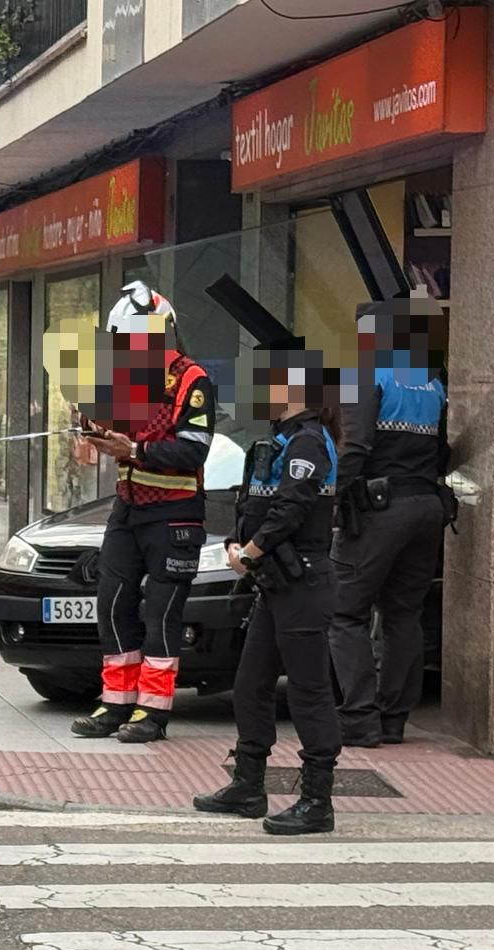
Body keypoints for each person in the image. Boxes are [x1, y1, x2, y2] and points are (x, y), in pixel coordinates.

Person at [194, 351, 342, 835]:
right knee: (251, 684)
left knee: (309, 691)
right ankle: (248, 785)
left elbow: (292, 509)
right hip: (275, 584)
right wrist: (236, 542)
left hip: (302, 583)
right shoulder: (276, 442)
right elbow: (254, 503)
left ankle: (317, 801)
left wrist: (251, 552)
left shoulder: (308, 441)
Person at [71, 283, 216, 744]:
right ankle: (115, 702)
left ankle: (153, 711)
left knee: (161, 612)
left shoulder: (192, 380)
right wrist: (89, 425)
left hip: (175, 513)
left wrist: (133, 449)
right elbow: (109, 423)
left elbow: (194, 450)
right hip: (129, 508)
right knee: (112, 603)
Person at [329, 301, 450, 747]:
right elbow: (443, 452)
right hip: (427, 508)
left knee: (345, 612)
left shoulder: (366, 375)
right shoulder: (431, 382)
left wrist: (332, 498)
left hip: (379, 510)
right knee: (403, 614)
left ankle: (359, 719)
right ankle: (394, 719)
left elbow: (355, 447)